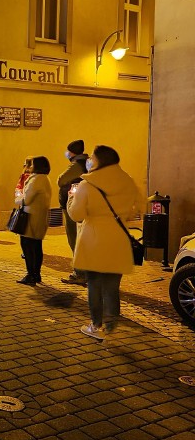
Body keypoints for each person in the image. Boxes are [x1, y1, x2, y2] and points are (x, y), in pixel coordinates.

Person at [68, 145, 144, 340]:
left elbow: (77, 215)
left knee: (94, 284)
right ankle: (111, 325)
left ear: (100, 160)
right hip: (118, 238)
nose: (89, 160)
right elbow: (140, 206)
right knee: (112, 285)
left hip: (94, 239)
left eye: (92, 157)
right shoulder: (128, 181)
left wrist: (71, 199)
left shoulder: (87, 184)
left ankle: (96, 326)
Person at [16, 156, 52, 286]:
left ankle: (31, 274)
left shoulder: (36, 180)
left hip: (31, 217)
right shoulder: (45, 179)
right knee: (37, 246)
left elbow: (27, 199)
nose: (29, 167)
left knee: (27, 245)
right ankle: (36, 274)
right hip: (40, 216)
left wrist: (18, 197)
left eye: (32, 165)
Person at [58, 140, 89, 285]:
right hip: (80, 205)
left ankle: (80, 273)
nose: (66, 153)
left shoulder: (77, 165)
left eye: (68, 151)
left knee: (74, 239)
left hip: (73, 206)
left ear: (73, 152)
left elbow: (61, 180)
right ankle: (84, 272)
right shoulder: (86, 163)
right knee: (79, 239)